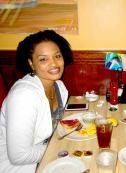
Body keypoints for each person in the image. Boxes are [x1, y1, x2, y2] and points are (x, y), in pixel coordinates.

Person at [0, 30, 73, 173]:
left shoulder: (59, 86)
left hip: (45, 154)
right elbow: (18, 156)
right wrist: (61, 147)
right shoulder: (24, 95)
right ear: (31, 63)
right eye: (43, 59)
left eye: (57, 56)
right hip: (19, 166)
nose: (54, 63)